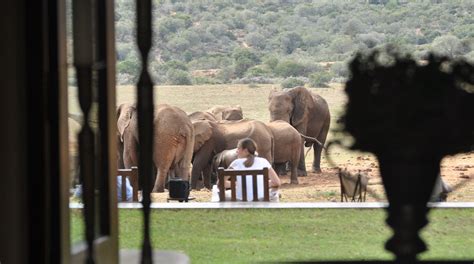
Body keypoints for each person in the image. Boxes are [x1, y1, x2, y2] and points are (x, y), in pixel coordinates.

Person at [212, 138, 281, 202]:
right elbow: (276, 182)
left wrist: (238, 184)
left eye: (238, 148)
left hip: (239, 200)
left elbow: (220, 183)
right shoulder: (263, 161)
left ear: (245, 151)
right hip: (261, 200)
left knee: (215, 188)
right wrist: (259, 183)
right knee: (276, 193)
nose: (236, 151)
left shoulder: (236, 163)